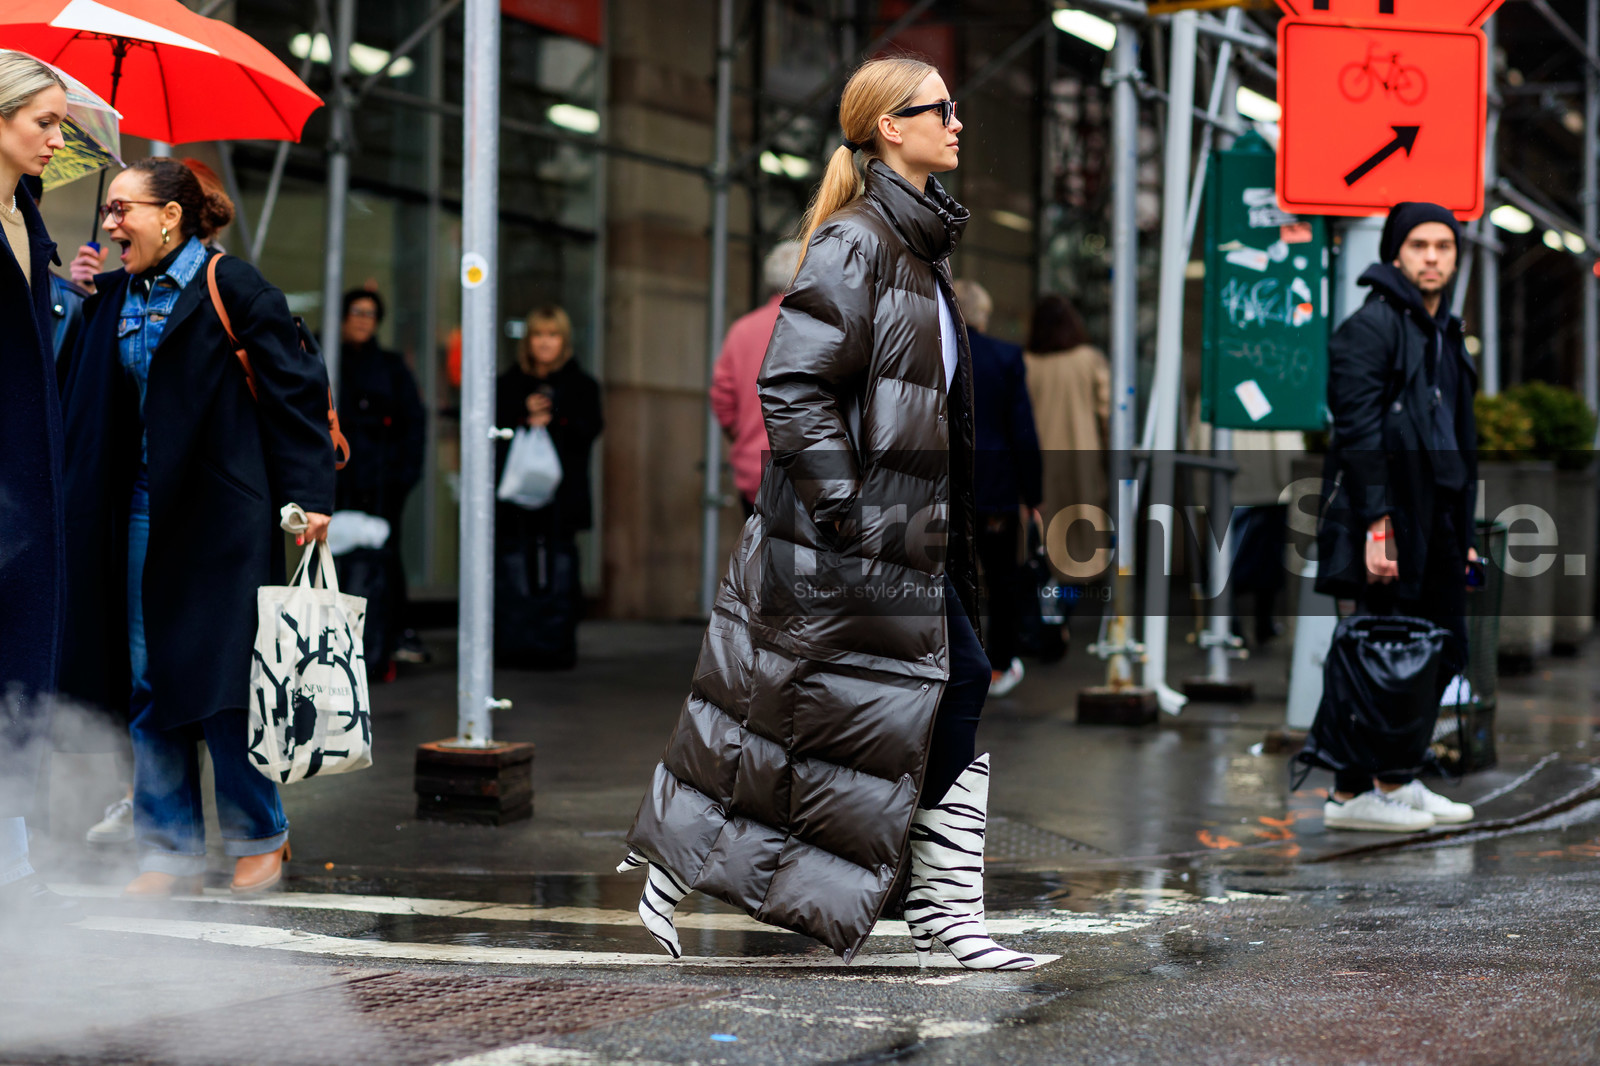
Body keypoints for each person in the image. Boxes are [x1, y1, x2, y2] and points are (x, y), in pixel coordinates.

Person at [618, 56, 1036, 970]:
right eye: (942, 109)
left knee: (818, 714)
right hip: (853, 538)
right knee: (834, 706)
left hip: (902, 538)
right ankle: (942, 915)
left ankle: (676, 871)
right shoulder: (858, 242)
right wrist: (850, 515)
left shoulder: (917, 246)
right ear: (893, 126)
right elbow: (793, 383)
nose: (958, 122)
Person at [57, 157, 336, 896]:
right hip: (138, 514)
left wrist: (310, 496)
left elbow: (297, 389)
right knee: (151, 681)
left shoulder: (231, 285)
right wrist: (71, 299)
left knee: (224, 683)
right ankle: (167, 847)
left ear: (170, 216)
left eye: (124, 210)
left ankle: (260, 836)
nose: (112, 223)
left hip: (223, 519)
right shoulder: (111, 296)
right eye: (109, 211)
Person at [1312, 201, 1479, 833]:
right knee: (1379, 654)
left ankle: (1397, 777)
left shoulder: (1443, 331)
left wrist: (1460, 536)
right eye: (1418, 246)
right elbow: (1357, 431)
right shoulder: (1371, 326)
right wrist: (1378, 524)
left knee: (1439, 651)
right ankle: (1351, 794)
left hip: (1436, 523)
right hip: (1387, 520)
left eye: (1443, 245)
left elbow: (1458, 440)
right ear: (1395, 254)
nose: (1432, 256)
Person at [0, 50, 75, 920]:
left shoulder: (29, 218)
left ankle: (12, 860)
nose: (58, 138)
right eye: (43, 121)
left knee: (20, 668)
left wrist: (66, 293)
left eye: (60, 122)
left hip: (31, 471)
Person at [493, 305, 602, 669]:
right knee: (512, 564)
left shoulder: (582, 385)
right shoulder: (508, 384)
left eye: (552, 335)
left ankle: (554, 642)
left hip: (561, 498)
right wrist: (523, 415)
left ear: (563, 340)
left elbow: (589, 429)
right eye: (539, 334)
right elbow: (491, 426)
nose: (545, 342)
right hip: (515, 497)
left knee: (559, 566)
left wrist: (555, 418)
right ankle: (514, 640)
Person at [952, 279, 1041, 697]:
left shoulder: (932, 354)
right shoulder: (1005, 357)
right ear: (983, 314)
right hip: (996, 488)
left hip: (942, 486)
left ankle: (950, 662)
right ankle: (1000, 665)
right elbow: (1022, 432)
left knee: (948, 578)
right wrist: (1032, 494)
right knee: (1002, 580)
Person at [331, 288, 427, 674]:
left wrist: (403, 476)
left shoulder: (390, 366)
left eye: (370, 313)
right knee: (329, 560)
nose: (362, 319)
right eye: (355, 311)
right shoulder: (322, 356)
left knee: (382, 564)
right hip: (335, 480)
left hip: (381, 485)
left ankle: (380, 643)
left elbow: (413, 424)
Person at [1023, 295, 1110, 604]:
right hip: (1081, 460)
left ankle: (1048, 604)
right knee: (1080, 536)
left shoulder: (1027, 363)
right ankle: (1066, 604)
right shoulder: (1089, 359)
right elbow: (1107, 413)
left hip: (1041, 461)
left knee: (1045, 535)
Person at [711, 240, 802, 517]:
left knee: (758, 558)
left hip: (753, 474)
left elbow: (722, 400)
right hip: (807, 473)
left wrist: (745, 435)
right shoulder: (817, 325)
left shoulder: (742, 330)